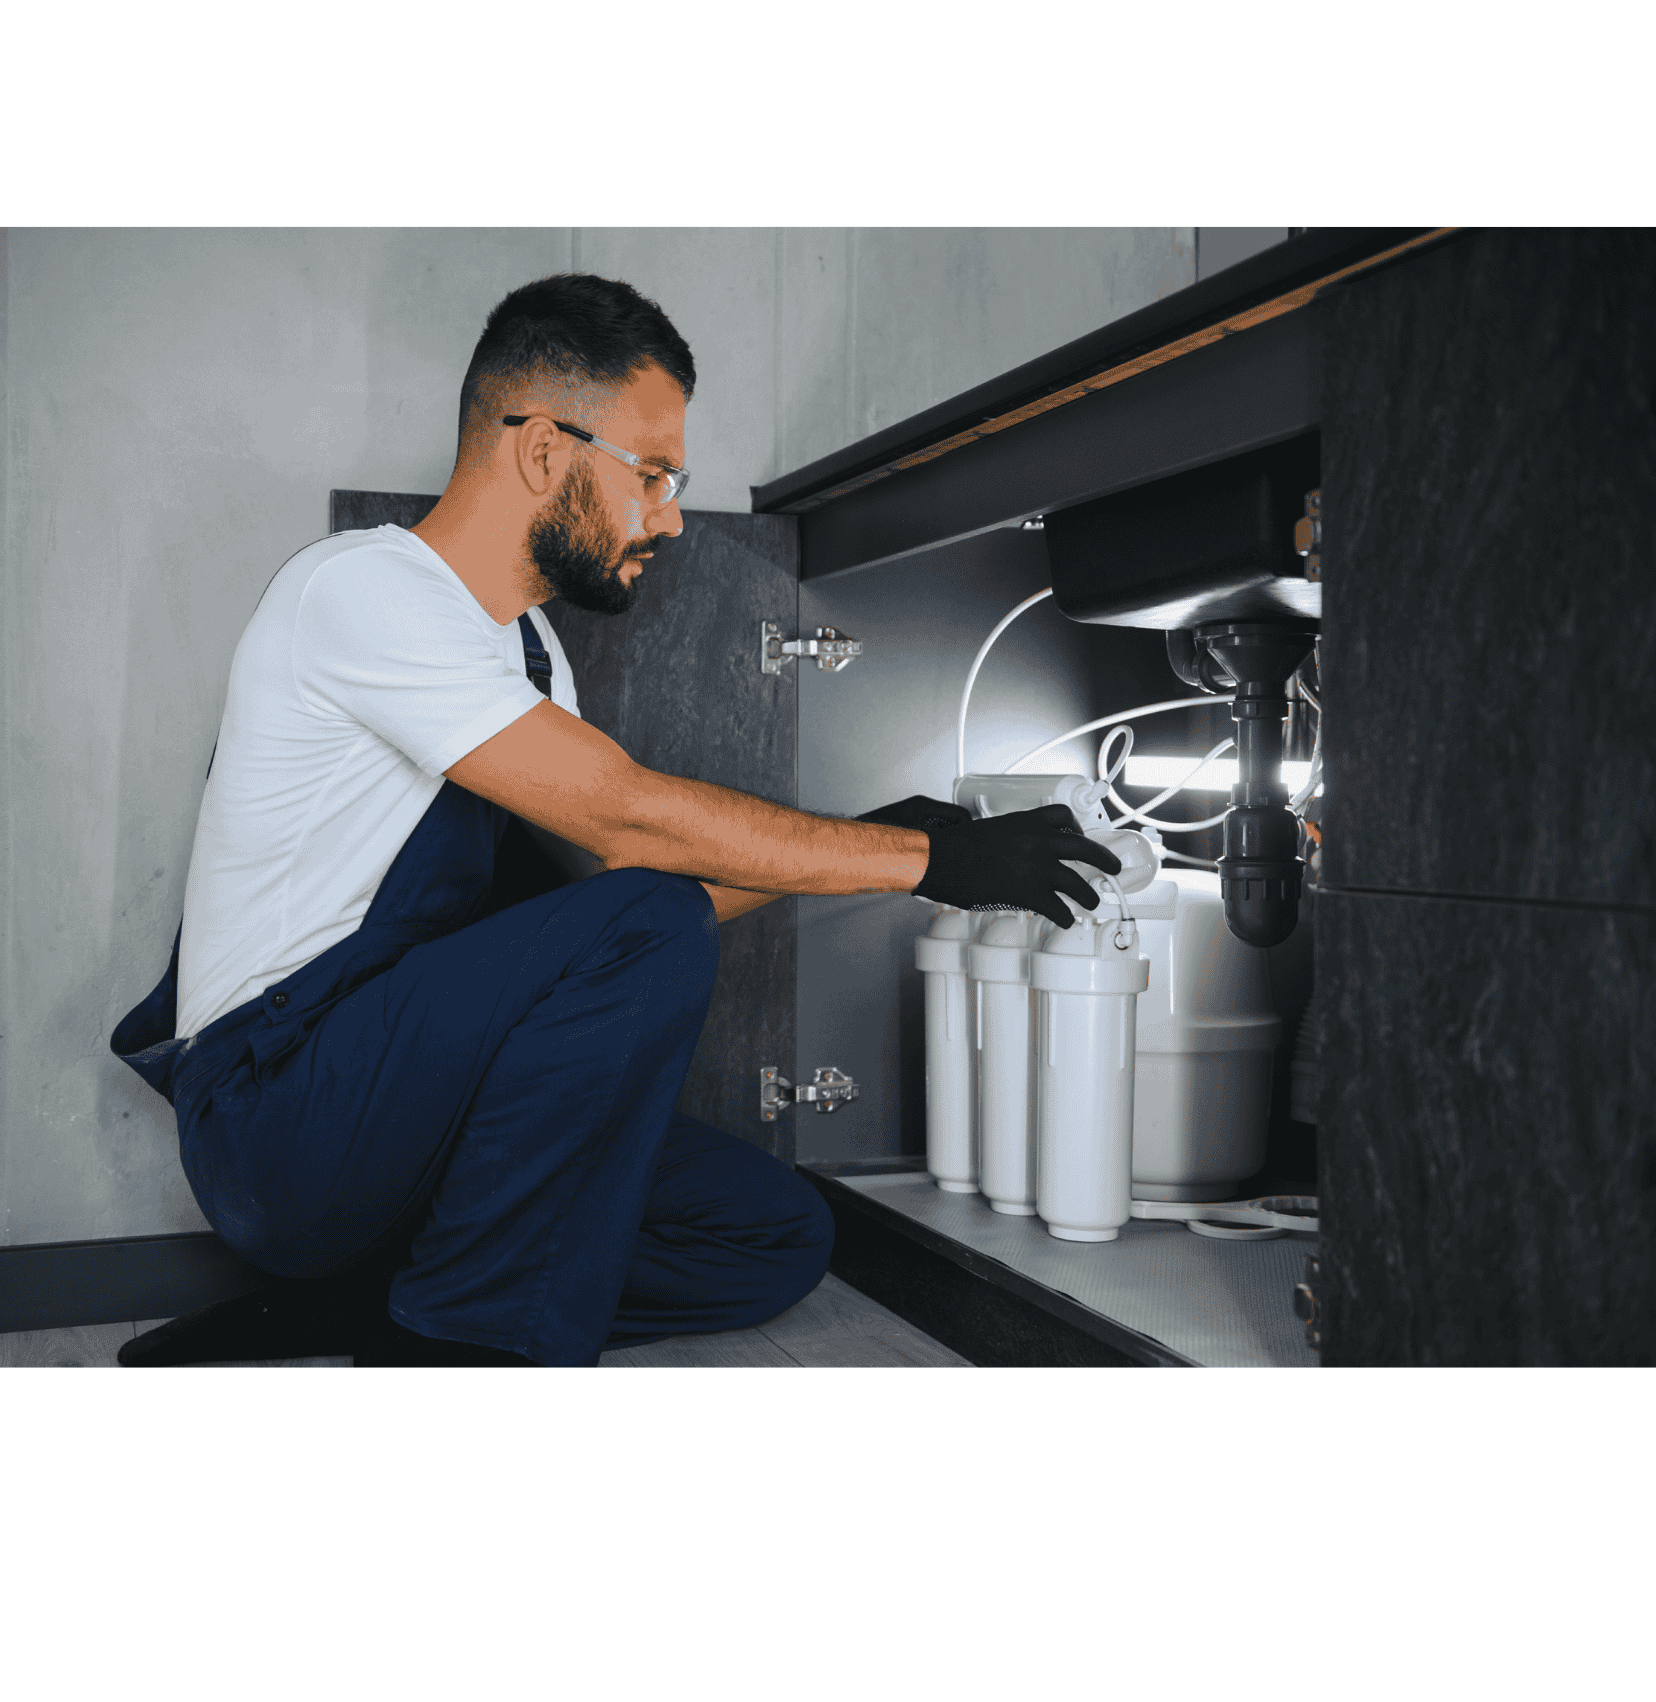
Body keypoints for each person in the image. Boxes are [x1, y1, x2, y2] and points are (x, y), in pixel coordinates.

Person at [110, 272, 1117, 1367]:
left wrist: (880, 832)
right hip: (281, 1117)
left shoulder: (531, 658)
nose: (671, 514)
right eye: (653, 473)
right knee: (643, 914)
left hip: (414, 1108)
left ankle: (377, 1299)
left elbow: (635, 905)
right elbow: (632, 840)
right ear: (543, 450)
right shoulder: (362, 593)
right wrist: (925, 860)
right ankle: (458, 1349)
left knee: (772, 1235)